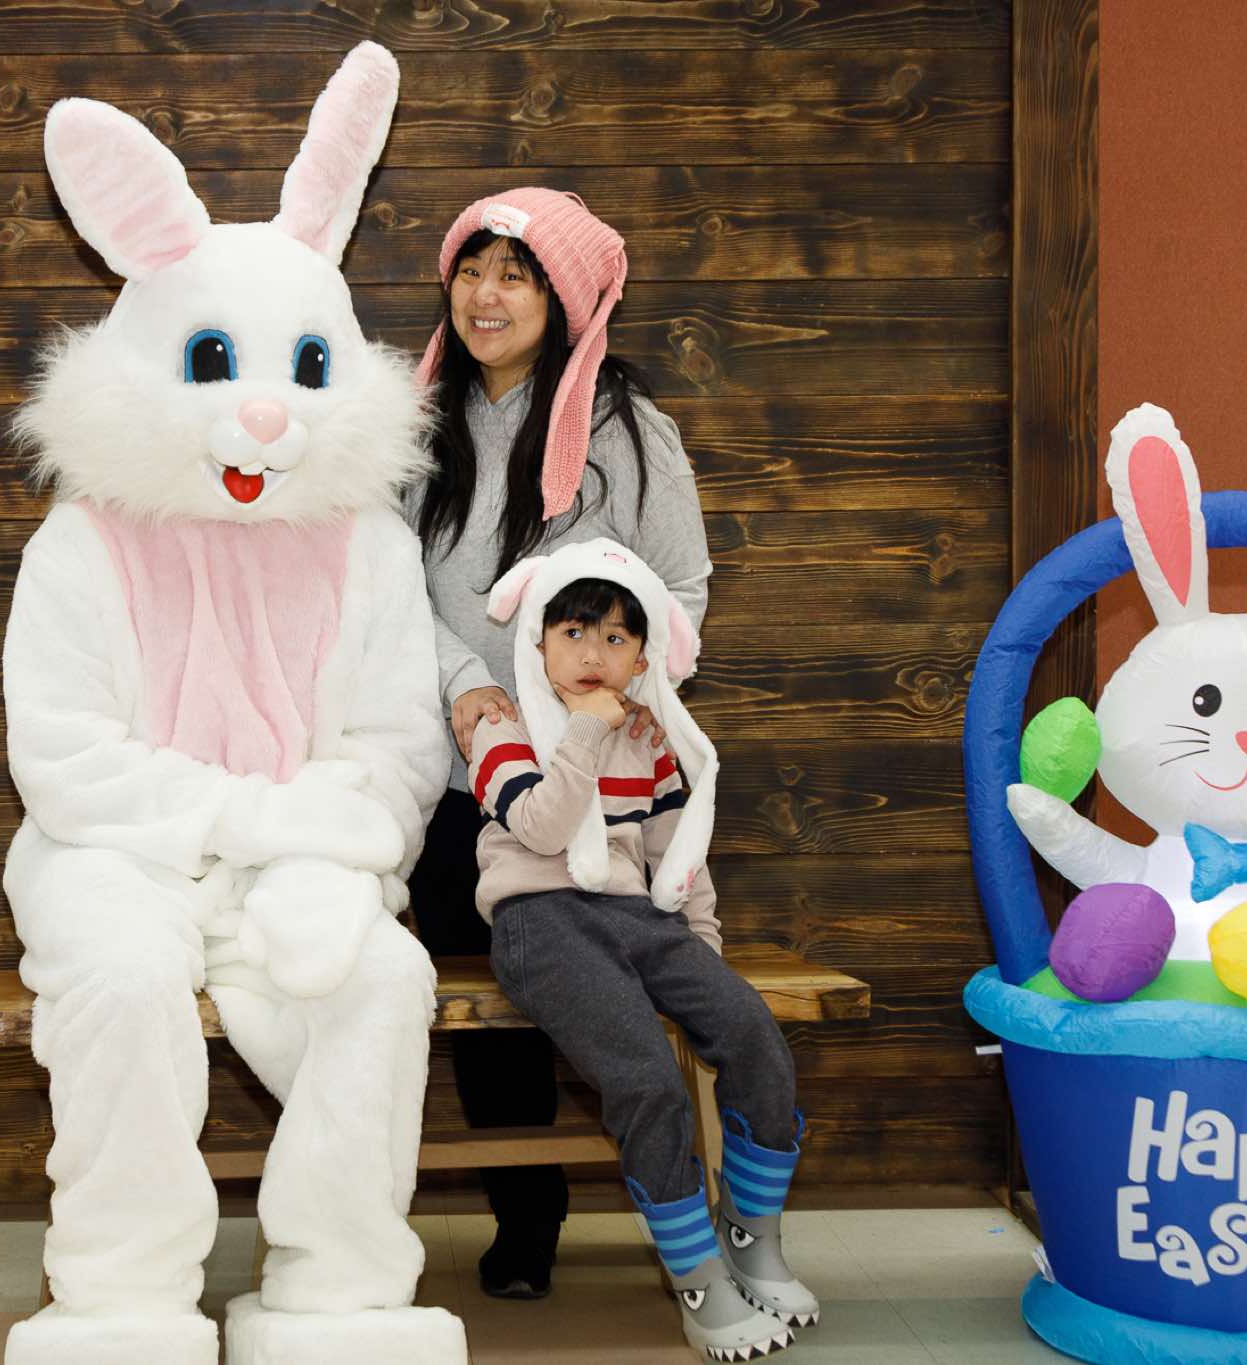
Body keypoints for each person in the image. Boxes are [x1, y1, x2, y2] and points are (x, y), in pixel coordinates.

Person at [404, 187, 712, 1299]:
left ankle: (665, 1208)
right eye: (470, 270)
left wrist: (618, 690)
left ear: (564, 298)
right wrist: (467, 687)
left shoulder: (628, 432)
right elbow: (384, 590)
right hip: (457, 775)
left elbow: (680, 588)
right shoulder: (412, 423)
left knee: (582, 987)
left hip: (598, 781)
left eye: (514, 276)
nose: (484, 296)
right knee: (472, 999)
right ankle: (508, 1219)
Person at [467, 538, 815, 1360]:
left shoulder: (649, 739)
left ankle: (750, 1238)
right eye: (574, 632)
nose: (593, 653)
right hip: (541, 920)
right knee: (647, 1077)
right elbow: (542, 827)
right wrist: (587, 729)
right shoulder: (501, 727)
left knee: (753, 1032)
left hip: (637, 917)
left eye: (616, 637)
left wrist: (703, 957)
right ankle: (696, 1278)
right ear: (538, 640)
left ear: (642, 656)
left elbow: (678, 858)